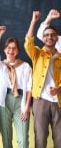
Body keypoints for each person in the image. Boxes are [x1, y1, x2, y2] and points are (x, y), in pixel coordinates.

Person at [0, 26, 32, 148]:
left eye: (14, 48)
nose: (11, 51)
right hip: (4, 102)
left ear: (18, 51)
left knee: (23, 140)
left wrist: (27, 107)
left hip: (21, 102)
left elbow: (30, 88)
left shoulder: (25, 66)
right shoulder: (0, 66)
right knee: (6, 138)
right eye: (8, 48)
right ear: (4, 50)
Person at [24, 11, 61, 148]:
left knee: (60, 138)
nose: (49, 37)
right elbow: (28, 42)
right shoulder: (37, 53)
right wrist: (33, 21)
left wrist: (59, 88)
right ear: (43, 38)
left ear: (57, 38)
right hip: (40, 100)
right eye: (46, 35)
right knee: (40, 137)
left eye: (52, 35)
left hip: (59, 101)